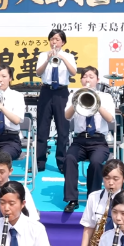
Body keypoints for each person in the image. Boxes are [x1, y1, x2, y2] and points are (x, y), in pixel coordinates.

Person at [63, 65, 117, 213]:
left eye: (91, 77)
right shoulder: (74, 94)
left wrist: (97, 102)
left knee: (96, 162)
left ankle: (93, 199)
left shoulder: (106, 97)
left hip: (98, 141)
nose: (87, 79)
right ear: (81, 80)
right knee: (69, 158)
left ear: (97, 80)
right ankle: (72, 199)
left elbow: (111, 119)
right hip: (79, 140)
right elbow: (67, 116)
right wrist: (77, 100)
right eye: (85, 77)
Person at [36, 28, 80, 173]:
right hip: (46, 91)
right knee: (42, 128)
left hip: (62, 93)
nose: (54, 42)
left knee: (63, 129)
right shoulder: (43, 55)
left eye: (57, 39)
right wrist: (48, 59)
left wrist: (63, 59)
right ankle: (40, 162)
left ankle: (62, 162)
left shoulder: (69, 56)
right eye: (52, 39)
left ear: (63, 42)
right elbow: (38, 72)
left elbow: (73, 72)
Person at [77, 160, 124, 246]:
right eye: (107, 178)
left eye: (116, 179)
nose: (111, 183)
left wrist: (108, 241)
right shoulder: (93, 197)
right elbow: (88, 226)